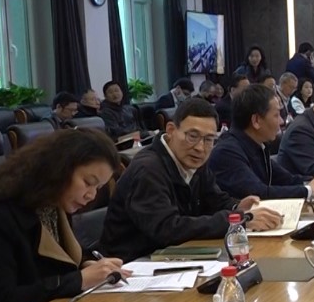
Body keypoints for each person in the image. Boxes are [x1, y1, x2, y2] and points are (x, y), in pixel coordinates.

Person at [0, 131, 129, 302]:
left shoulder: (52, 204)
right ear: (60, 169)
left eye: (98, 188)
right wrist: (79, 279)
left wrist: (87, 265)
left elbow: (58, 262)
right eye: (88, 183)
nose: (92, 195)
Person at [99, 98, 283, 261]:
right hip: (133, 266)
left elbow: (215, 200)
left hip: (176, 256)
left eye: (209, 139)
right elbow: (167, 229)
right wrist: (239, 220)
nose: (200, 147)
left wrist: (238, 207)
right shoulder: (148, 169)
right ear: (171, 130)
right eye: (192, 136)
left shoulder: (194, 160)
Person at [208, 84, 314, 200]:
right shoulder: (227, 152)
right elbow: (259, 192)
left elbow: (287, 179)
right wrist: (308, 190)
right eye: (276, 115)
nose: (281, 121)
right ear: (256, 120)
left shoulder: (258, 145)